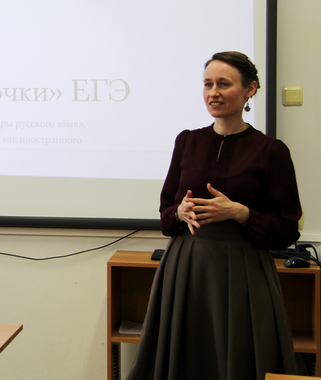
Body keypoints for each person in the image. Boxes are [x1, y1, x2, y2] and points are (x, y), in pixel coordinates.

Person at [127, 51, 302, 380]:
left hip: (243, 270)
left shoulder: (271, 151)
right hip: (186, 267)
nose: (213, 93)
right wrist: (179, 212)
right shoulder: (187, 141)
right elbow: (166, 214)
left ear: (250, 89)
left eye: (224, 84)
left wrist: (241, 213)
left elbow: (287, 229)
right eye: (208, 84)